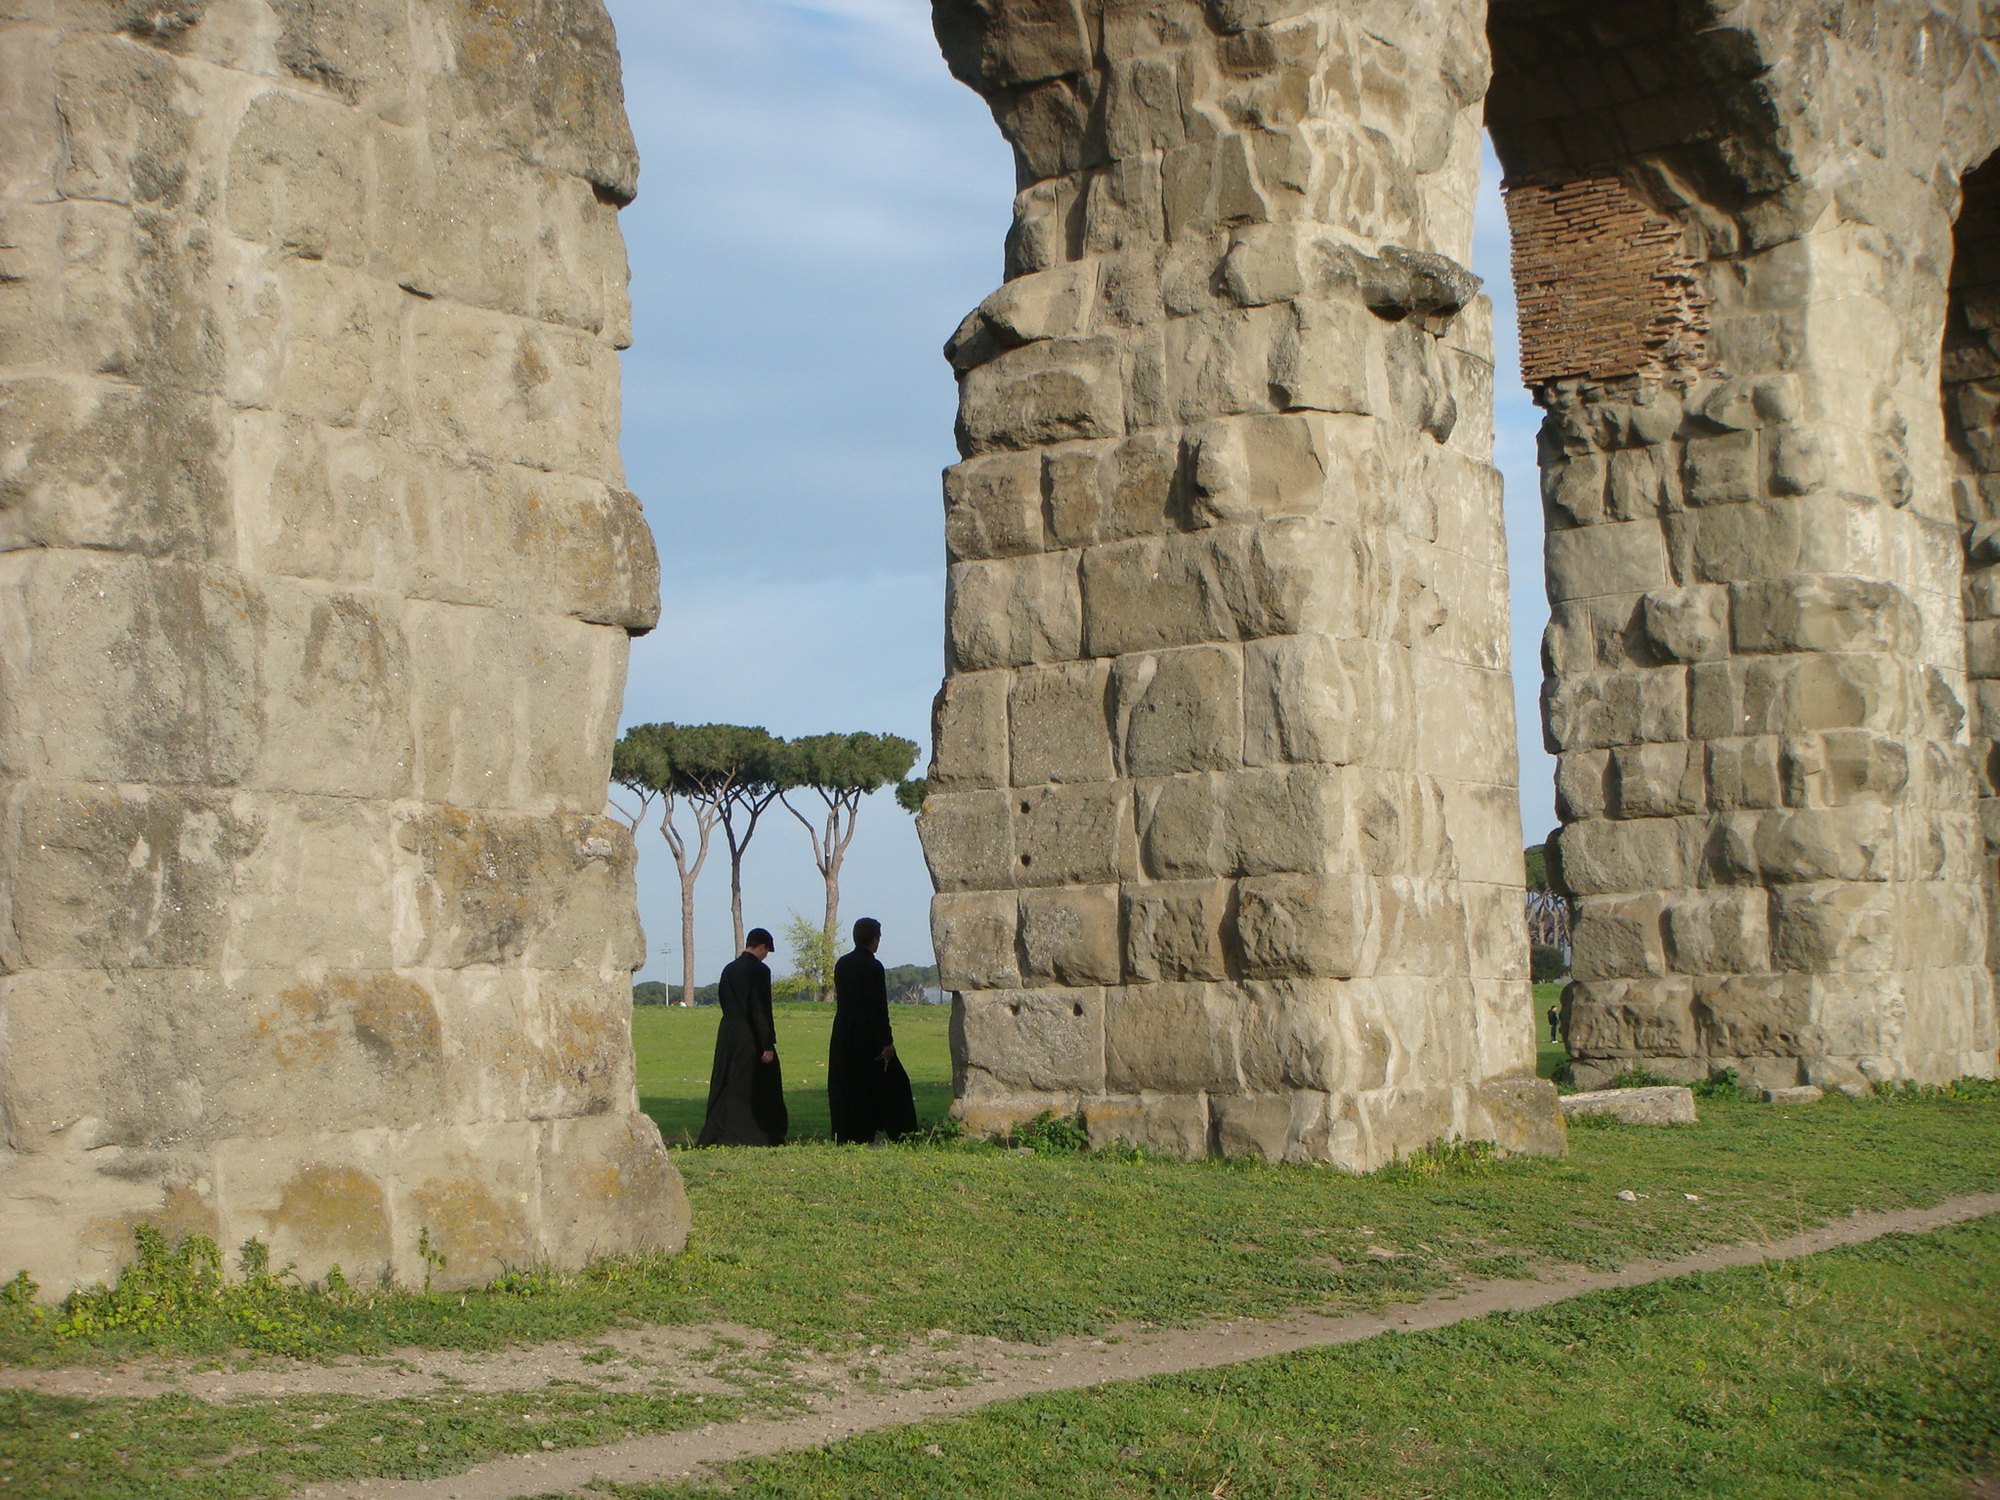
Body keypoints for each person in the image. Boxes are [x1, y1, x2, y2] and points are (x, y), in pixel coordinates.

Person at [827, 917, 918, 1144]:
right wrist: (886, 1042)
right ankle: (901, 1131)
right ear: (874, 939)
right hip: (866, 1033)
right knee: (893, 1083)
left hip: (844, 1030)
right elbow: (877, 1007)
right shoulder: (873, 966)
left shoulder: (842, 963)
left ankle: (851, 1132)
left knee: (850, 1083)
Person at [698, 928, 788, 1146]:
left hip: (729, 1031)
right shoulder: (759, 971)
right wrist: (766, 1043)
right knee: (758, 1082)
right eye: (767, 950)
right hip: (750, 1034)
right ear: (762, 947)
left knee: (728, 1080)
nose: (766, 955)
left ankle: (720, 1130)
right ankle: (757, 1131)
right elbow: (760, 1008)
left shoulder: (729, 969)